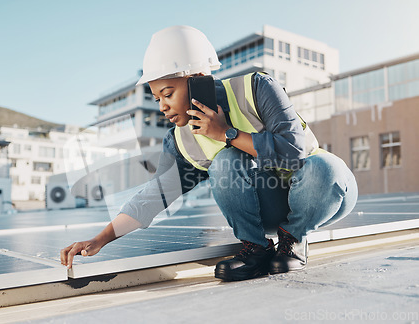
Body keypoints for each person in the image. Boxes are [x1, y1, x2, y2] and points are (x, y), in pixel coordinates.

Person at [61, 25, 358, 281]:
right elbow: (154, 196)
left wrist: (226, 133)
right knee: (224, 162)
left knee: (324, 168)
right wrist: (100, 239)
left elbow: (293, 153)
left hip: (323, 193)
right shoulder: (181, 141)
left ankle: (293, 240)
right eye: (156, 98)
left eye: (168, 93)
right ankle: (255, 249)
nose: (162, 106)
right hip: (268, 209)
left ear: (199, 79)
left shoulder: (256, 88)